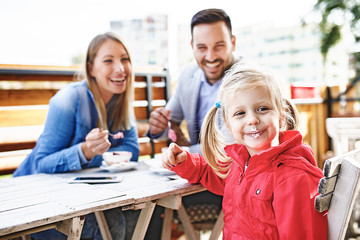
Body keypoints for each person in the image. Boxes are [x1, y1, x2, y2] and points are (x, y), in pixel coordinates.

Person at [162, 63, 328, 239]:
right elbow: (212, 172)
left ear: (280, 115)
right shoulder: (240, 163)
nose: (252, 120)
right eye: (240, 113)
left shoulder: (293, 176)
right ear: (228, 124)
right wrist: (184, 161)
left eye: (262, 109)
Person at [13, 32, 140, 240]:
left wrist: (95, 156)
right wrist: (84, 152)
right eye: (109, 60)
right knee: (111, 224)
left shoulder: (121, 103)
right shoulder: (68, 99)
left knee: (139, 214)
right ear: (91, 68)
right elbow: (42, 163)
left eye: (125, 59)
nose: (120, 68)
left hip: (79, 196)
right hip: (32, 201)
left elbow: (132, 150)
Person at [146, 8, 238, 238]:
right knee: (147, 206)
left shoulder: (245, 79)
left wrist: (185, 152)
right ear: (192, 47)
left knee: (153, 208)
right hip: (194, 177)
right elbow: (170, 119)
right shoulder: (188, 74)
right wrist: (158, 127)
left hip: (229, 184)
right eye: (202, 48)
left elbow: (228, 148)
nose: (210, 56)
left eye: (219, 46)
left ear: (233, 42)